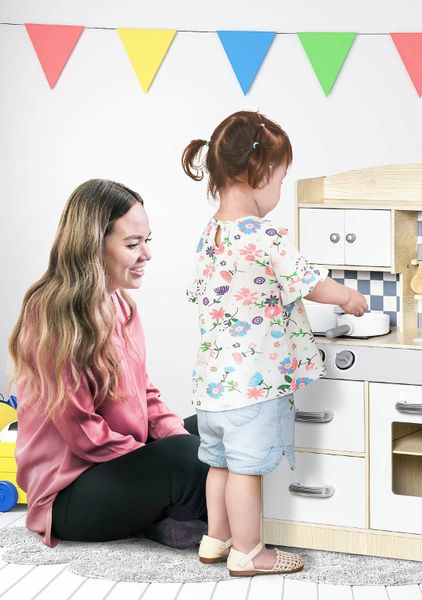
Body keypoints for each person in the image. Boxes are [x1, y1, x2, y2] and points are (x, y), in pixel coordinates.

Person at [182, 111, 368, 576]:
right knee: (247, 470)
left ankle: (216, 538)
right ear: (257, 174)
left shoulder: (211, 234)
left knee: (219, 465)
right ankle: (250, 551)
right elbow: (310, 282)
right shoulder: (265, 235)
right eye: (281, 180)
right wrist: (348, 297)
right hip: (255, 384)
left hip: (213, 386)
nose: (280, 192)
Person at [8, 179, 209, 549]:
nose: (146, 254)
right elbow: (83, 434)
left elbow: (146, 394)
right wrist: (170, 455)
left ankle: (167, 518)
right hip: (70, 494)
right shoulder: (52, 313)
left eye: (148, 241)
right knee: (187, 457)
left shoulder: (119, 305)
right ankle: (181, 515)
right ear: (93, 247)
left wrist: (188, 441)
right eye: (133, 245)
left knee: (212, 430)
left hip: (119, 464)